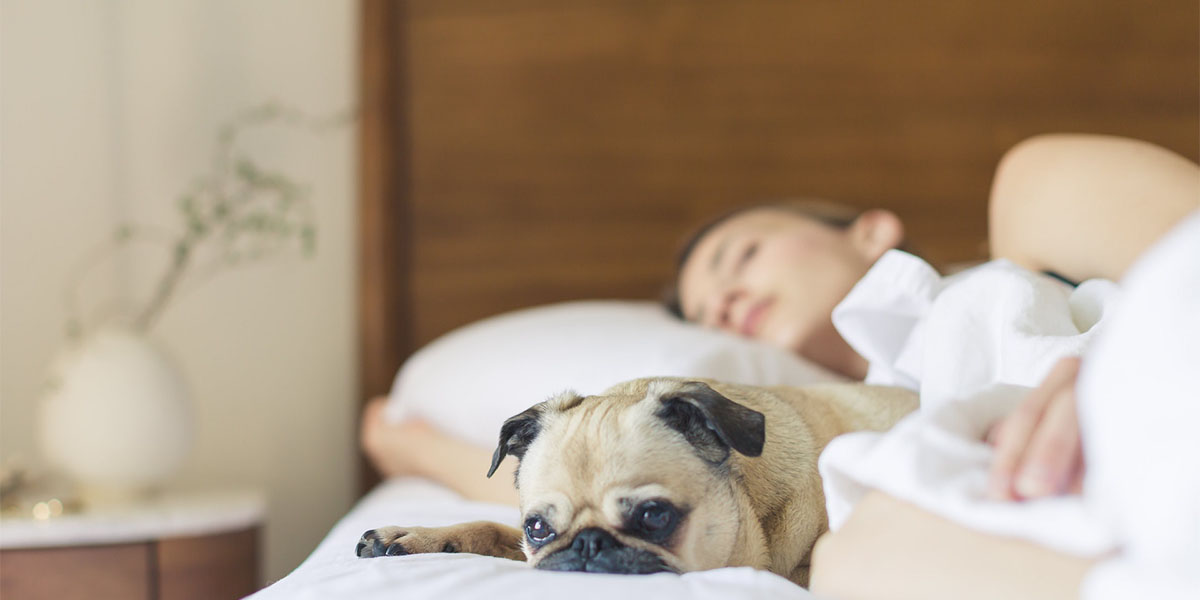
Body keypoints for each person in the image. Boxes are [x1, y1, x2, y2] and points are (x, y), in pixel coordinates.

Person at [361, 134, 1198, 521]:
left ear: (871, 230)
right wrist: (415, 451)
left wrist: (1118, 371)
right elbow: (593, 489)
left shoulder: (1034, 213)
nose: (721, 302)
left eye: (741, 255)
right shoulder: (837, 451)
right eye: (701, 312)